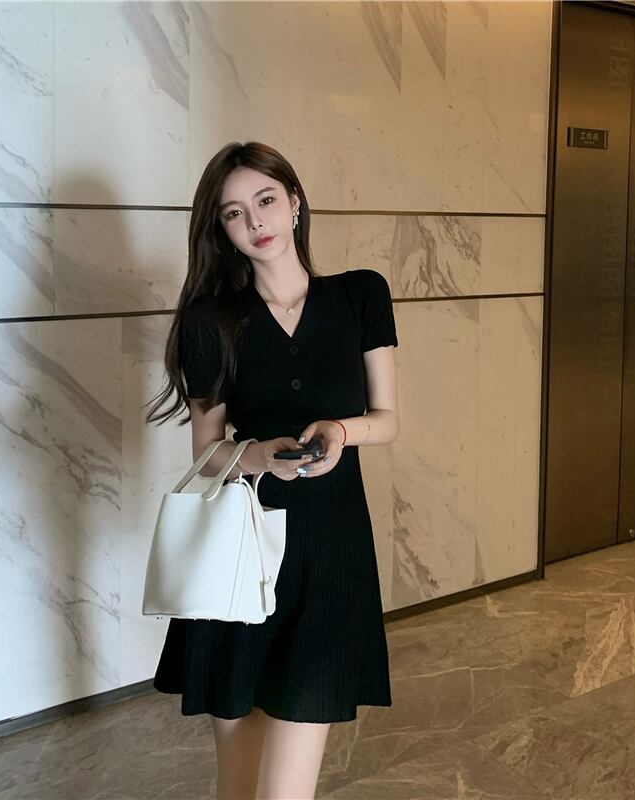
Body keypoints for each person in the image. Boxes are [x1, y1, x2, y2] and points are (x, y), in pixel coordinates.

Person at [144, 140, 400, 799]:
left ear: (295, 202)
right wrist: (260, 455)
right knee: (236, 785)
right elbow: (206, 452)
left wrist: (339, 432)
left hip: (331, 553)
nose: (255, 221)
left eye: (265, 200)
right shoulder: (211, 321)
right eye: (234, 213)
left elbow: (388, 419)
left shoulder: (361, 295)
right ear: (222, 230)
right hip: (241, 555)